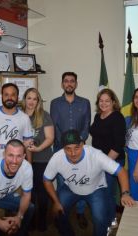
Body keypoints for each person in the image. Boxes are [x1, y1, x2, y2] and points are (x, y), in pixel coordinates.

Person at [43, 129, 135, 236]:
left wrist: (125, 194)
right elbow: (46, 180)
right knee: (58, 213)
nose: (73, 153)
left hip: (96, 189)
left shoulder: (96, 155)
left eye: (76, 148)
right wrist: (55, 202)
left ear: (82, 144)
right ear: (63, 148)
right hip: (71, 188)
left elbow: (121, 171)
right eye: (68, 149)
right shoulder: (57, 157)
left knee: (100, 219)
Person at [50, 72, 91, 228]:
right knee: (62, 182)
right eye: (66, 81)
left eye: (72, 81)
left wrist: (78, 143)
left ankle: (80, 212)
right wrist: (66, 144)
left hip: (81, 149)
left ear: (76, 84)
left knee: (80, 181)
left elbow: (87, 124)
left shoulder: (84, 102)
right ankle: (62, 211)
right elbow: (54, 126)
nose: (69, 84)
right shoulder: (55, 103)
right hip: (61, 149)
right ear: (62, 84)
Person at [89, 88, 126, 229]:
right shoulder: (98, 116)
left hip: (112, 161)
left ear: (113, 102)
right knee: (102, 192)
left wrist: (104, 164)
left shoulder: (117, 117)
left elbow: (118, 146)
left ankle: (111, 222)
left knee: (108, 193)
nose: (103, 104)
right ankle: (105, 219)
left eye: (107, 101)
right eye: (101, 101)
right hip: (99, 161)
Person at [21, 88, 54, 231]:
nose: (31, 102)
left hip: (42, 159)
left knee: (42, 192)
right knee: (28, 191)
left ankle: (41, 221)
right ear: (24, 99)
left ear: (38, 101)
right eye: (29, 98)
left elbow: (50, 138)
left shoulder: (44, 115)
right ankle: (29, 221)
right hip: (22, 161)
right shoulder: (18, 115)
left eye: (35, 99)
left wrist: (38, 149)